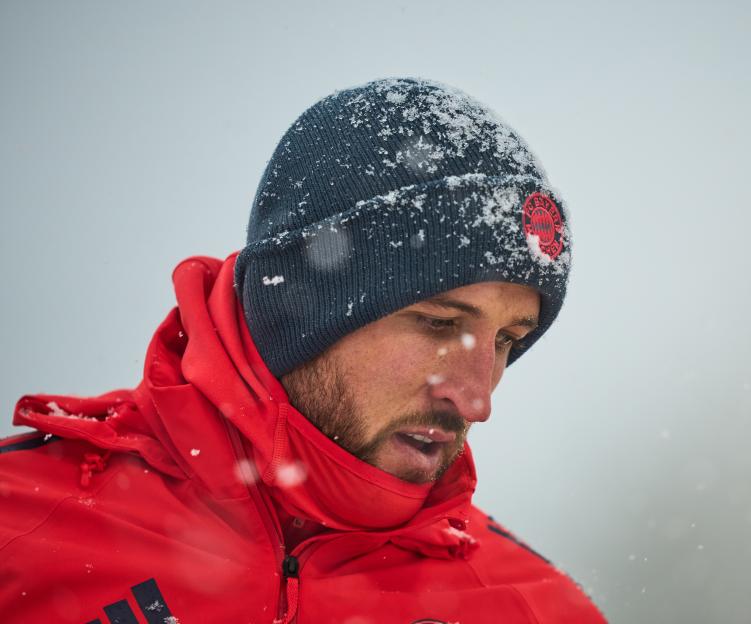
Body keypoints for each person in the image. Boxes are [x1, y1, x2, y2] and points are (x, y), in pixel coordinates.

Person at [0, 77, 605, 623]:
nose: (476, 398)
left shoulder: (534, 607)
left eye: (507, 340)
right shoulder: (18, 530)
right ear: (301, 311)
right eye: (438, 323)